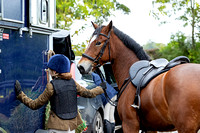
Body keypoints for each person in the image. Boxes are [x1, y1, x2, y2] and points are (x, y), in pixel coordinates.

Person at [14, 54, 106, 133]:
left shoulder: (51, 85)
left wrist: (20, 94)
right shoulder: (73, 82)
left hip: (57, 128)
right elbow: (88, 93)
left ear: (54, 72)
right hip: (71, 127)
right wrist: (100, 88)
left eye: (49, 70)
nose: (49, 72)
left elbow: (35, 105)